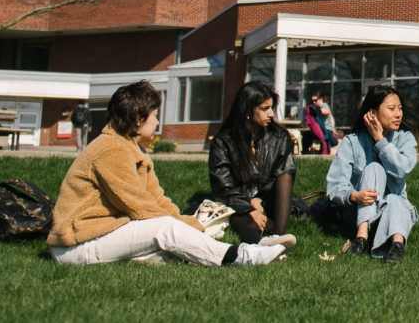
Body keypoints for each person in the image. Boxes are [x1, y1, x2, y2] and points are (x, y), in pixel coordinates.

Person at [46, 80, 285, 267]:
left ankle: (257, 245)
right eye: (154, 115)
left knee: (184, 228)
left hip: (103, 233)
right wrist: (183, 224)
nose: (158, 121)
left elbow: (156, 198)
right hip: (76, 244)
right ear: (139, 119)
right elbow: (141, 207)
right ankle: (242, 256)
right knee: (165, 229)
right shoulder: (110, 149)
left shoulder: (131, 147)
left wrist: (189, 222)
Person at [324, 84, 418, 263]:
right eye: (391, 109)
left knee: (395, 199)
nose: (398, 114)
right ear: (372, 113)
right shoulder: (352, 142)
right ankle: (362, 236)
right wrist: (354, 195)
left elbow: (402, 168)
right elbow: (334, 185)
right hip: (359, 214)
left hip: (394, 215)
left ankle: (397, 245)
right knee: (374, 168)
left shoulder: (405, 138)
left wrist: (380, 141)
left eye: (400, 108)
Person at [209, 82, 300, 248]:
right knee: (240, 217)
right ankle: (262, 243)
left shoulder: (279, 137)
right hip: (239, 201)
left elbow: (278, 176)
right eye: (265, 109)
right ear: (248, 111)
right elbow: (223, 187)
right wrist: (249, 206)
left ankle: (279, 236)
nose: (271, 114)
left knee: (286, 173)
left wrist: (259, 199)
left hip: (269, 199)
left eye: (272, 108)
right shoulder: (223, 142)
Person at [302, 91, 337, 155]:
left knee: (327, 141)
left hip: (327, 128)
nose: (314, 102)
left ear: (320, 99)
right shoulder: (318, 107)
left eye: (315, 100)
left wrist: (333, 128)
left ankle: (326, 153)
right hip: (324, 128)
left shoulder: (324, 105)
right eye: (312, 100)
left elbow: (327, 112)